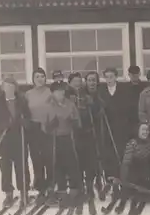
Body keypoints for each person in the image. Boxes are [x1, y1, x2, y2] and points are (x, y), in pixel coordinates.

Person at [0, 76, 31, 207]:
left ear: (15, 88)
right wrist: (3, 125)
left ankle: (24, 193)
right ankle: (8, 194)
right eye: (7, 86)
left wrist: (25, 122)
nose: (9, 89)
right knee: (5, 168)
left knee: (22, 167)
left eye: (12, 86)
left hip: (19, 138)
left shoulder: (22, 101)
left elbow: (28, 116)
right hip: (4, 140)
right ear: (2, 88)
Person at [41, 81, 82, 205]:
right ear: (52, 93)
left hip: (68, 137)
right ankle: (61, 190)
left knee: (72, 163)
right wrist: (49, 126)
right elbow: (43, 127)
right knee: (57, 164)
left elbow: (77, 120)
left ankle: (75, 190)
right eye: (58, 91)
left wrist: (74, 122)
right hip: (54, 139)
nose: (61, 93)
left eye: (63, 90)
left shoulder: (70, 104)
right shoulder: (48, 105)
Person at [112, 123, 150, 215]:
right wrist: (123, 175)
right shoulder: (132, 143)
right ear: (138, 132)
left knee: (141, 187)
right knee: (128, 186)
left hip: (144, 170)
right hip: (132, 168)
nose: (145, 132)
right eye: (143, 130)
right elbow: (126, 160)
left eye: (146, 130)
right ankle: (122, 204)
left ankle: (134, 207)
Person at [99, 68, 134, 183]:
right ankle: (110, 177)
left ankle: (122, 177)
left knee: (121, 150)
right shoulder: (101, 91)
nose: (109, 79)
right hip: (107, 126)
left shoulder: (124, 89)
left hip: (121, 125)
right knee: (109, 151)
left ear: (115, 77)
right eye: (107, 77)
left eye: (111, 77)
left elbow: (128, 107)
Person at [24, 68, 52, 198]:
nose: (40, 79)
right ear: (33, 79)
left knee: (48, 156)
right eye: (37, 77)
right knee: (36, 156)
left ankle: (51, 182)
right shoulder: (28, 94)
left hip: (48, 127)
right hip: (33, 128)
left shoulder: (50, 92)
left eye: (42, 76)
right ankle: (39, 182)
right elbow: (24, 111)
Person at [78, 72, 106, 200]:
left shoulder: (100, 94)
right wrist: (87, 105)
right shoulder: (82, 95)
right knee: (87, 160)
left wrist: (97, 107)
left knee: (98, 157)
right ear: (86, 82)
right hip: (85, 132)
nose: (92, 83)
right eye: (89, 80)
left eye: (94, 80)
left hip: (98, 131)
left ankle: (99, 181)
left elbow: (102, 110)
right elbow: (80, 114)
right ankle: (88, 185)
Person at [128, 66, 145, 131]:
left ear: (139, 74)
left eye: (136, 74)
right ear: (129, 75)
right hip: (130, 119)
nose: (135, 76)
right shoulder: (124, 88)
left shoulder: (145, 87)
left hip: (143, 118)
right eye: (132, 74)